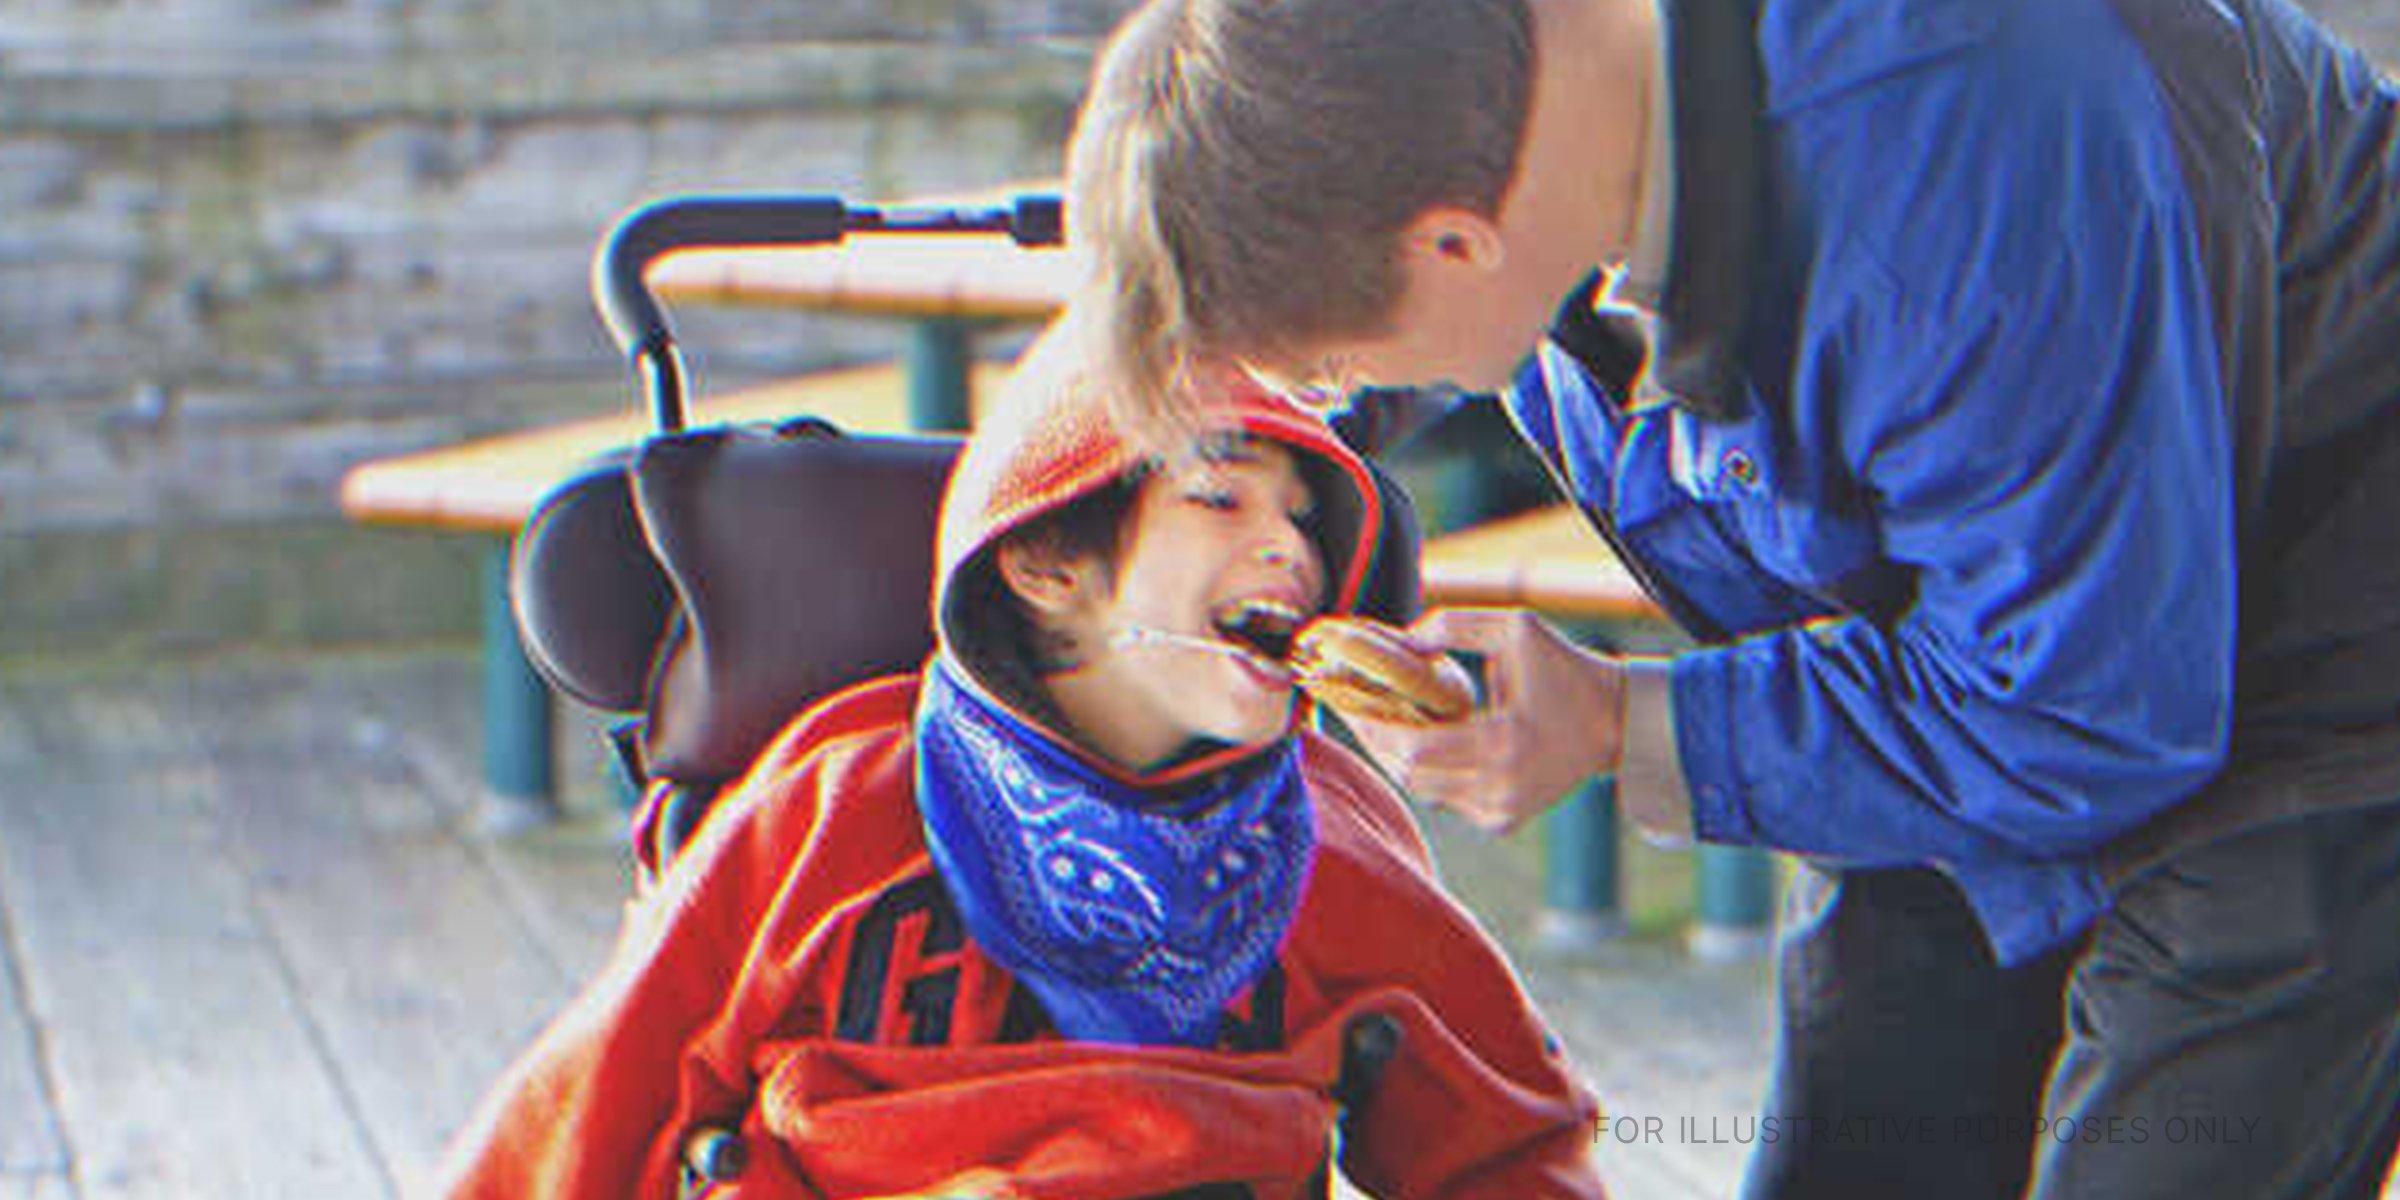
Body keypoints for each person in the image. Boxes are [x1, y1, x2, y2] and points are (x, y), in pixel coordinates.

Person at [1062, 0, 2400, 1196]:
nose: (1329, 402)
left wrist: (1617, 722)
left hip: (2329, 614)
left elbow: (2088, 710)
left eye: (1333, 364)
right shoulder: (1506, 96)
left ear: (1460, 241)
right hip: (1994, 604)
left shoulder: (1944, 170)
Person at [435, 318, 1609, 1199]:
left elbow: (1505, 1144)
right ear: (1048, 567)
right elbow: (590, 1108)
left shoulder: (1325, 835)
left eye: (1304, 520)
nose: (1286, 551)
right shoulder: (839, 803)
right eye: (1220, 500)